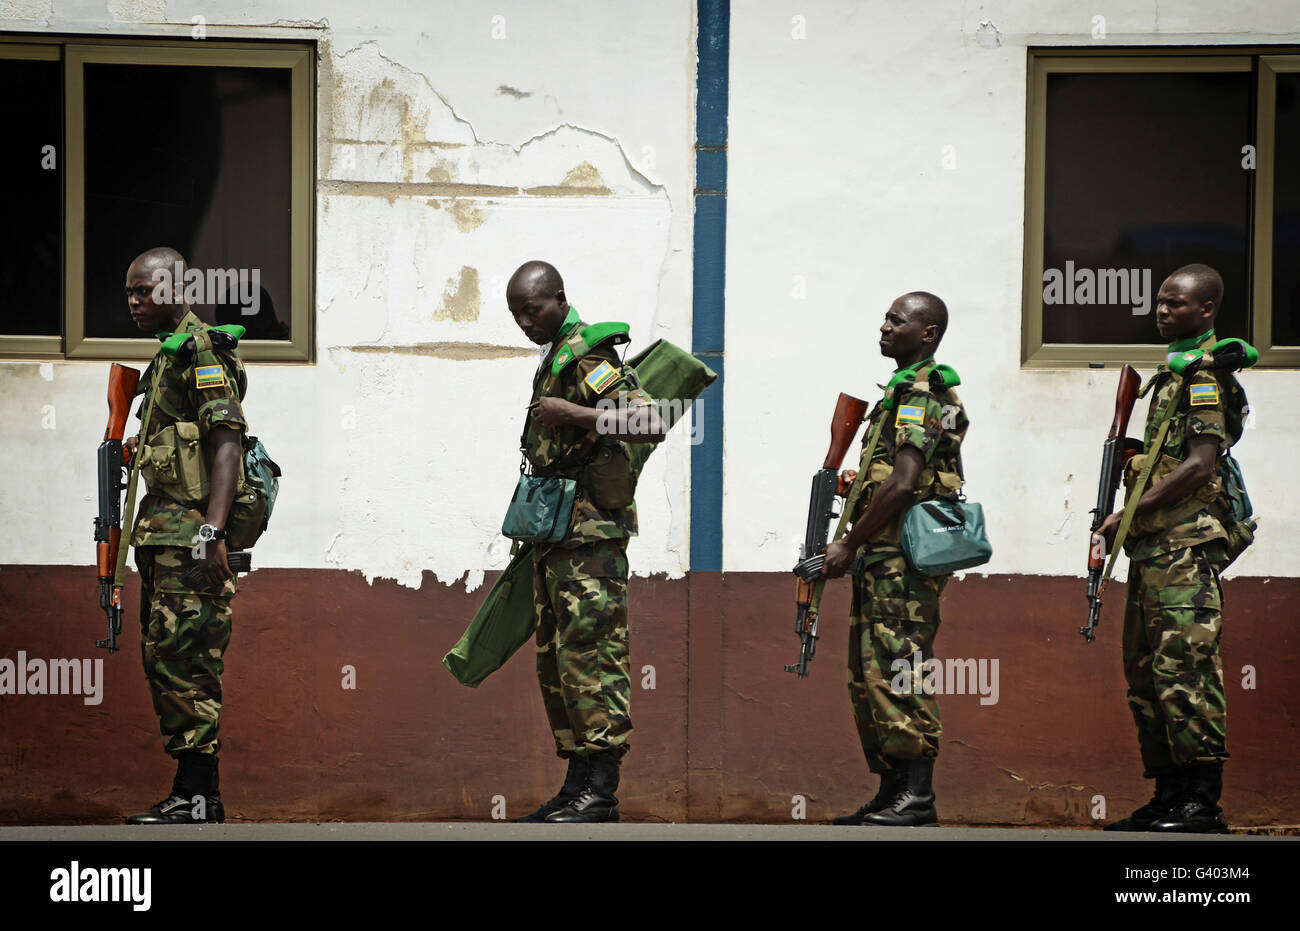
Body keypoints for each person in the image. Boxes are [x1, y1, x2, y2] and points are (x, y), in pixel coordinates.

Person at [505, 260, 664, 823]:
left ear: (559, 298)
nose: (525, 322)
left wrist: (568, 412)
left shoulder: (588, 355)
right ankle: (576, 785)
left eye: (533, 309)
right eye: (517, 315)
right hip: (558, 534)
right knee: (558, 659)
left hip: (590, 537)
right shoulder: (555, 354)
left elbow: (651, 420)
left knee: (592, 655)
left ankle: (601, 790)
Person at [1095, 264, 1248, 833]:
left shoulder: (1205, 377)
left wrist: (1127, 511)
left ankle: (1201, 802)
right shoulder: (1175, 375)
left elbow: (1200, 465)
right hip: (1155, 550)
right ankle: (1169, 794)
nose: (1162, 311)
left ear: (1206, 309)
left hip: (1186, 549)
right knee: (1146, 673)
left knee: (1185, 668)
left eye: (1176, 304)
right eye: (1159, 302)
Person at [821, 292, 968, 827]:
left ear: (927, 334)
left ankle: (917, 795)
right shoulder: (903, 392)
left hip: (902, 558)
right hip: (886, 557)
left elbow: (904, 484)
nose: (883, 326)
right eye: (885, 317)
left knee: (901, 669)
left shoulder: (924, 394)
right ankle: (891, 791)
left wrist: (849, 542)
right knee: (872, 675)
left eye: (896, 320)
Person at [121, 247, 248, 824]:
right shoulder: (169, 355)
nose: (133, 302)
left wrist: (211, 532)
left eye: (142, 291)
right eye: (129, 292)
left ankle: (198, 799)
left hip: (189, 539)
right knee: (166, 660)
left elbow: (227, 442)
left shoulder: (202, 352)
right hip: (163, 536)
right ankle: (197, 795)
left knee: (186, 663)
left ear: (175, 287)